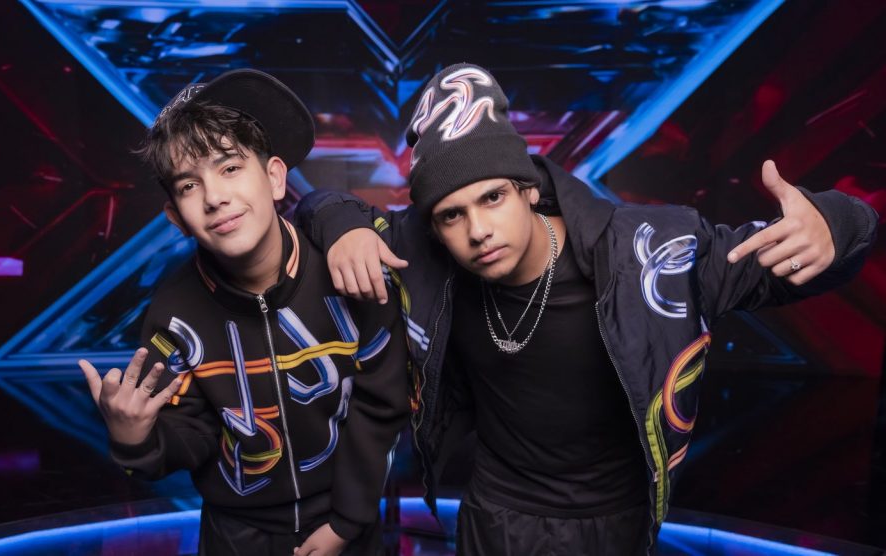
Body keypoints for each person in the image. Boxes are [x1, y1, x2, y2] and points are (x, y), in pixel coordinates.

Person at [295, 63, 878, 554]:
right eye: (452, 215)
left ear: (528, 188)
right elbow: (318, 204)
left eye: (493, 198)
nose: (477, 230)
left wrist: (838, 223)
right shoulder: (426, 253)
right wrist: (347, 227)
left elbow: (783, 263)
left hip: (614, 524)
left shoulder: (647, 255)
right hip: (495, 517)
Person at [78, 68, 410, 556]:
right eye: (189, 186)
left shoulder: (347, 270)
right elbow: (190, 434)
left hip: (348, 521)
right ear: (176, 218)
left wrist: (347, 521)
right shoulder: (173, 313)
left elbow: (383, 404)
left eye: (230, 168)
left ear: (274, 177)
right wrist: (135, 439)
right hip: (235, 535)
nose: (215, 197)